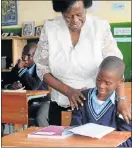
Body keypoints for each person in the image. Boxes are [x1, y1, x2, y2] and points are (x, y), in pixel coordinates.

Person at [33, 0, 131, 125]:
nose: (74, 20)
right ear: (61, 12)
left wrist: (122, 98)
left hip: (95, 109)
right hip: (60, 105)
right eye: (68, 16)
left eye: (79, 14)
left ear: (86, 7)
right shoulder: (50, 29)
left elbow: (115, 65)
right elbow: (42, 69)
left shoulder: (99, 27)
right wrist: (68, 91)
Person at [70, 56, 132, 147]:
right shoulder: (81, 97)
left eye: (108, 83)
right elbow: (74, 131)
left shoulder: (123, 106)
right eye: (98, 79)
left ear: (120, 82)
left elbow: (126, 138)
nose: (101, 86)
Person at [4, 43, 50, 127]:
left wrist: (22, 70)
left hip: (43, 102)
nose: (25, 59)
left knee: (40, 118)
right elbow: (5, 83)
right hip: (25, 104)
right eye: (23, 55)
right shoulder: (17, 68)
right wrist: (11, 86)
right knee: (4, 115)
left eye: (29, 56)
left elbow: (34, 86)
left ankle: (47, 139)